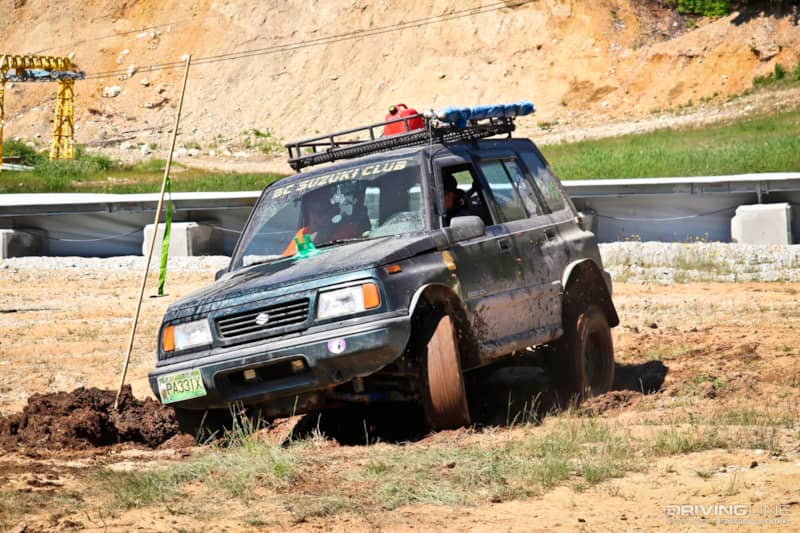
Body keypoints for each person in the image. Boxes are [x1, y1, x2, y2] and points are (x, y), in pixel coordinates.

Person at [282, 186, 364, 256]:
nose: (318, 216)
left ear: (332, 211)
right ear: (307, 214)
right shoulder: (303, 234)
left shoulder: (349, 231)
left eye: (323, 210)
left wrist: (323, 234)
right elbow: (288, 261)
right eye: (313, 211)